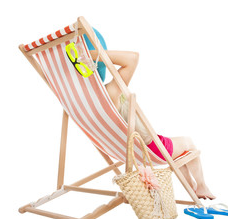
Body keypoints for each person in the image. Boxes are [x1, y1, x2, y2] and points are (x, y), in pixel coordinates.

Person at [85, 30, 215, 200]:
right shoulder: (110, 92)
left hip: (132, 148)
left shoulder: (89, 99)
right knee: (188, 142)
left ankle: (191, 186)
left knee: (181, 150)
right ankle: (202, 187)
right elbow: (133, 58)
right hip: (151, 147)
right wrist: (90, 54)